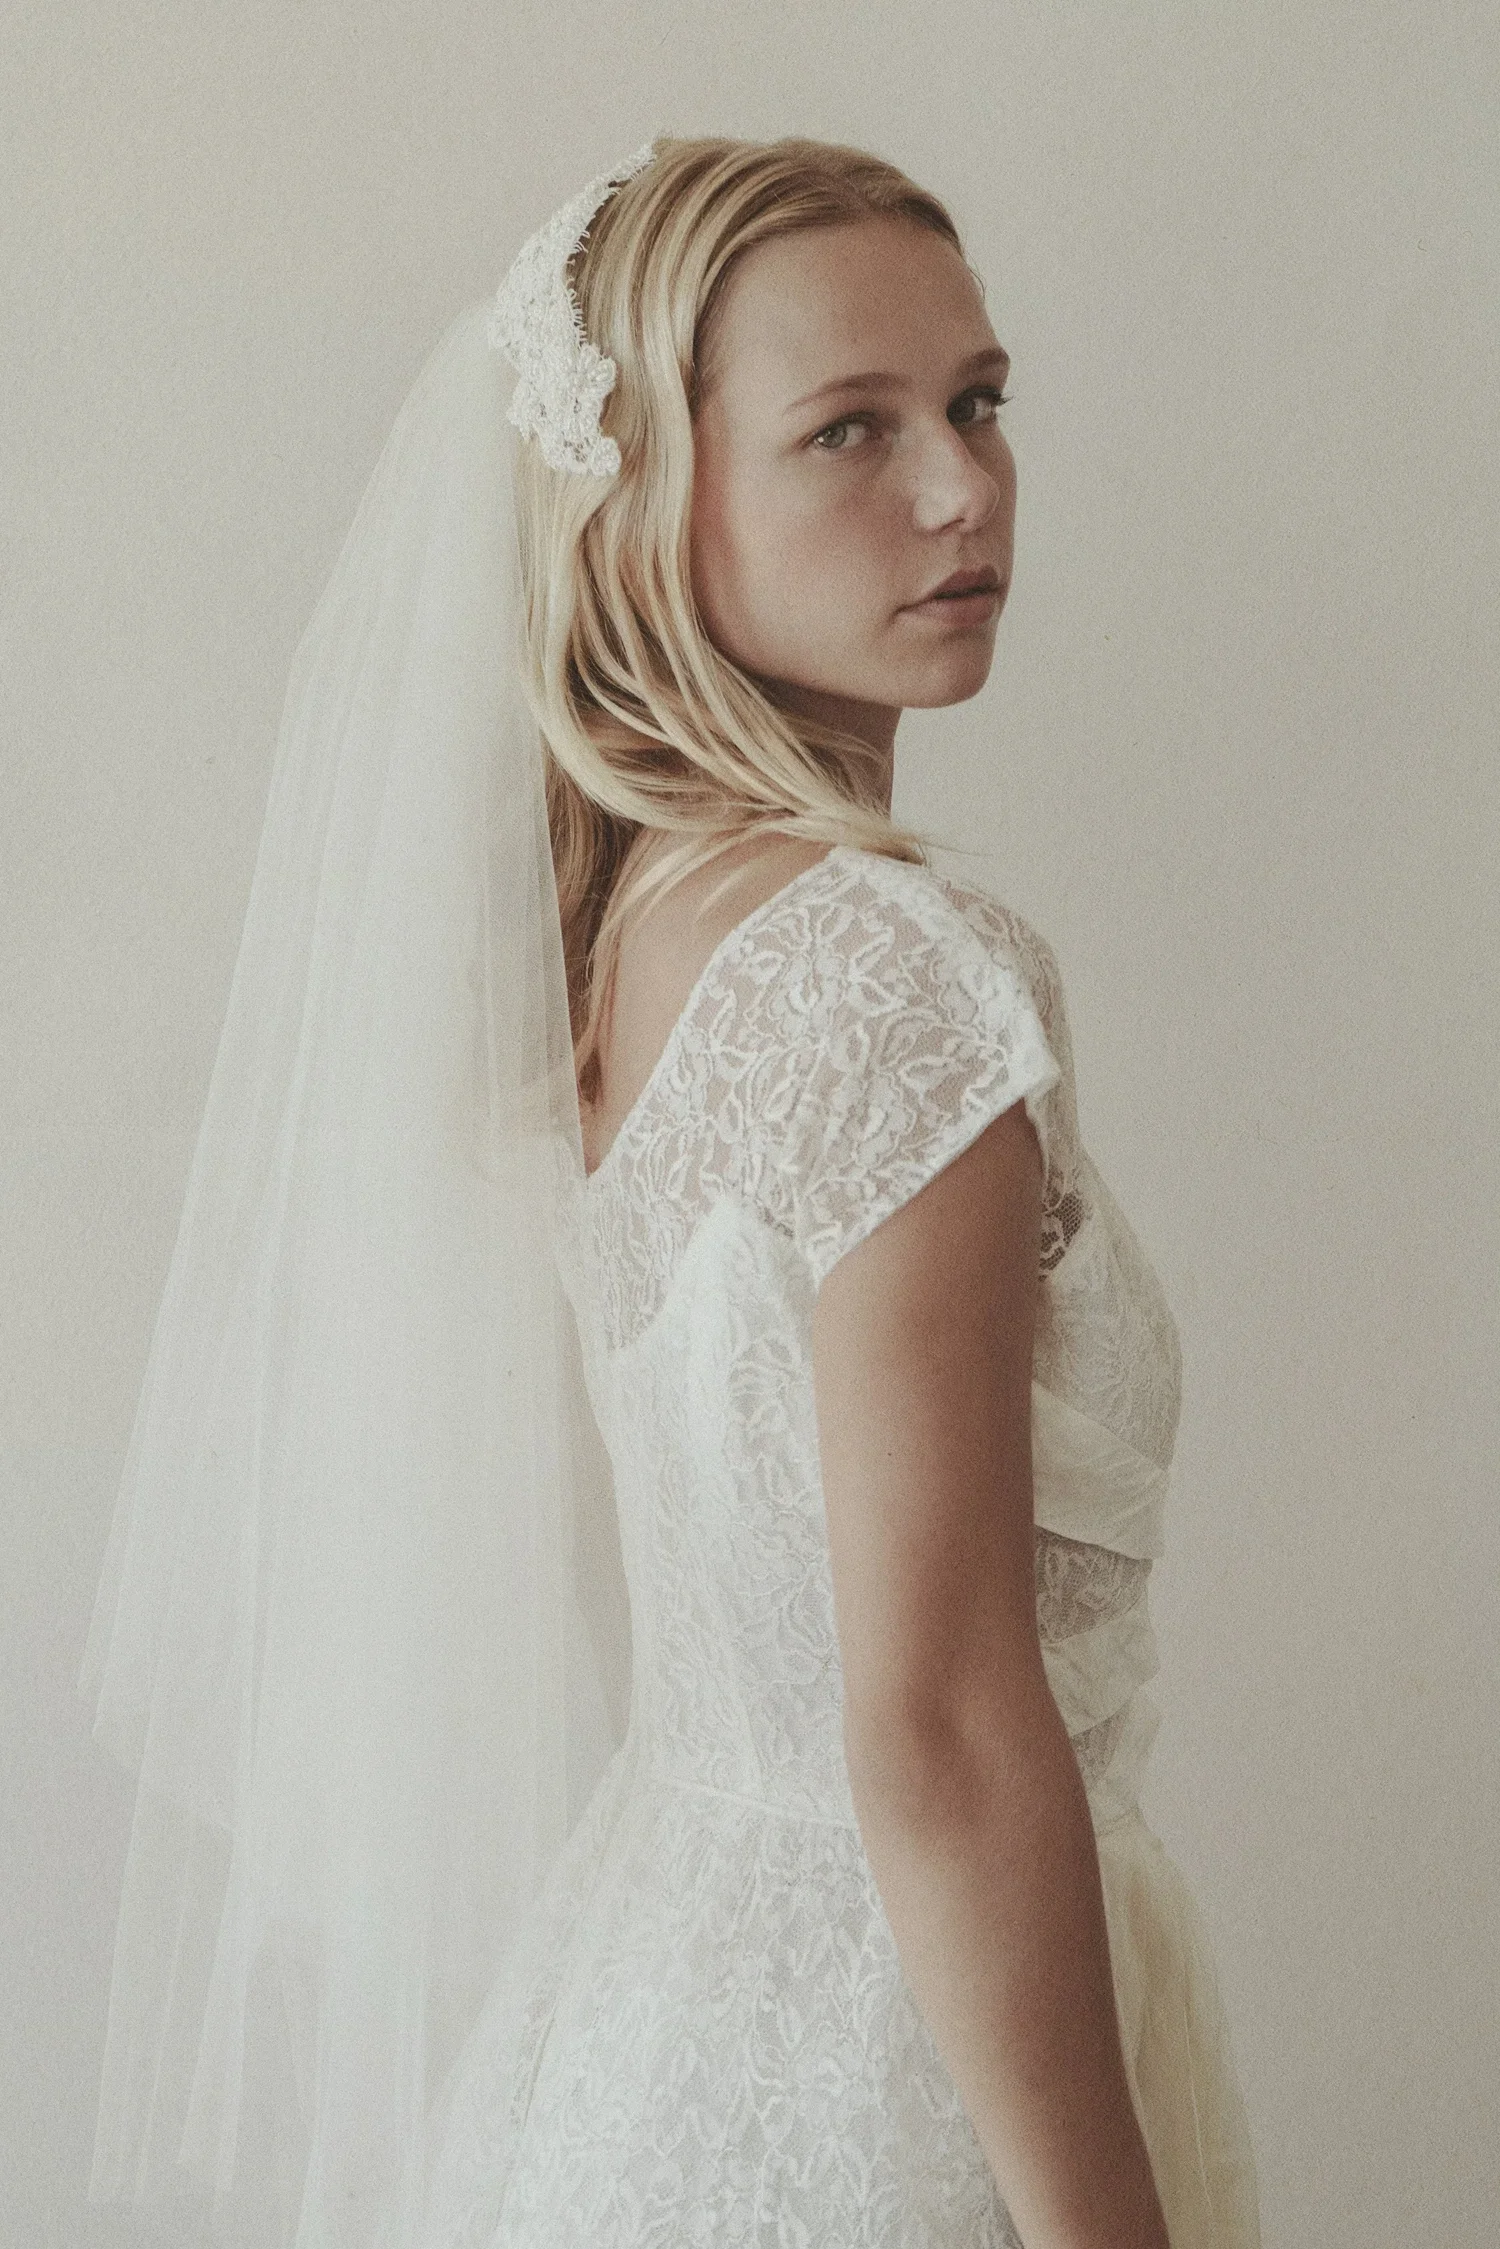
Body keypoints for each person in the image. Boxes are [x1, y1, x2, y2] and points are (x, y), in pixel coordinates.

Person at [81, 134, 1261, 2249]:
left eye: (979, 402)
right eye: (851, 431)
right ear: (647, 497)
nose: (962, 488)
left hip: (658, 2006)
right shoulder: (898, 972)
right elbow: (945, 1729)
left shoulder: (646, 930)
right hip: (896, 2070)